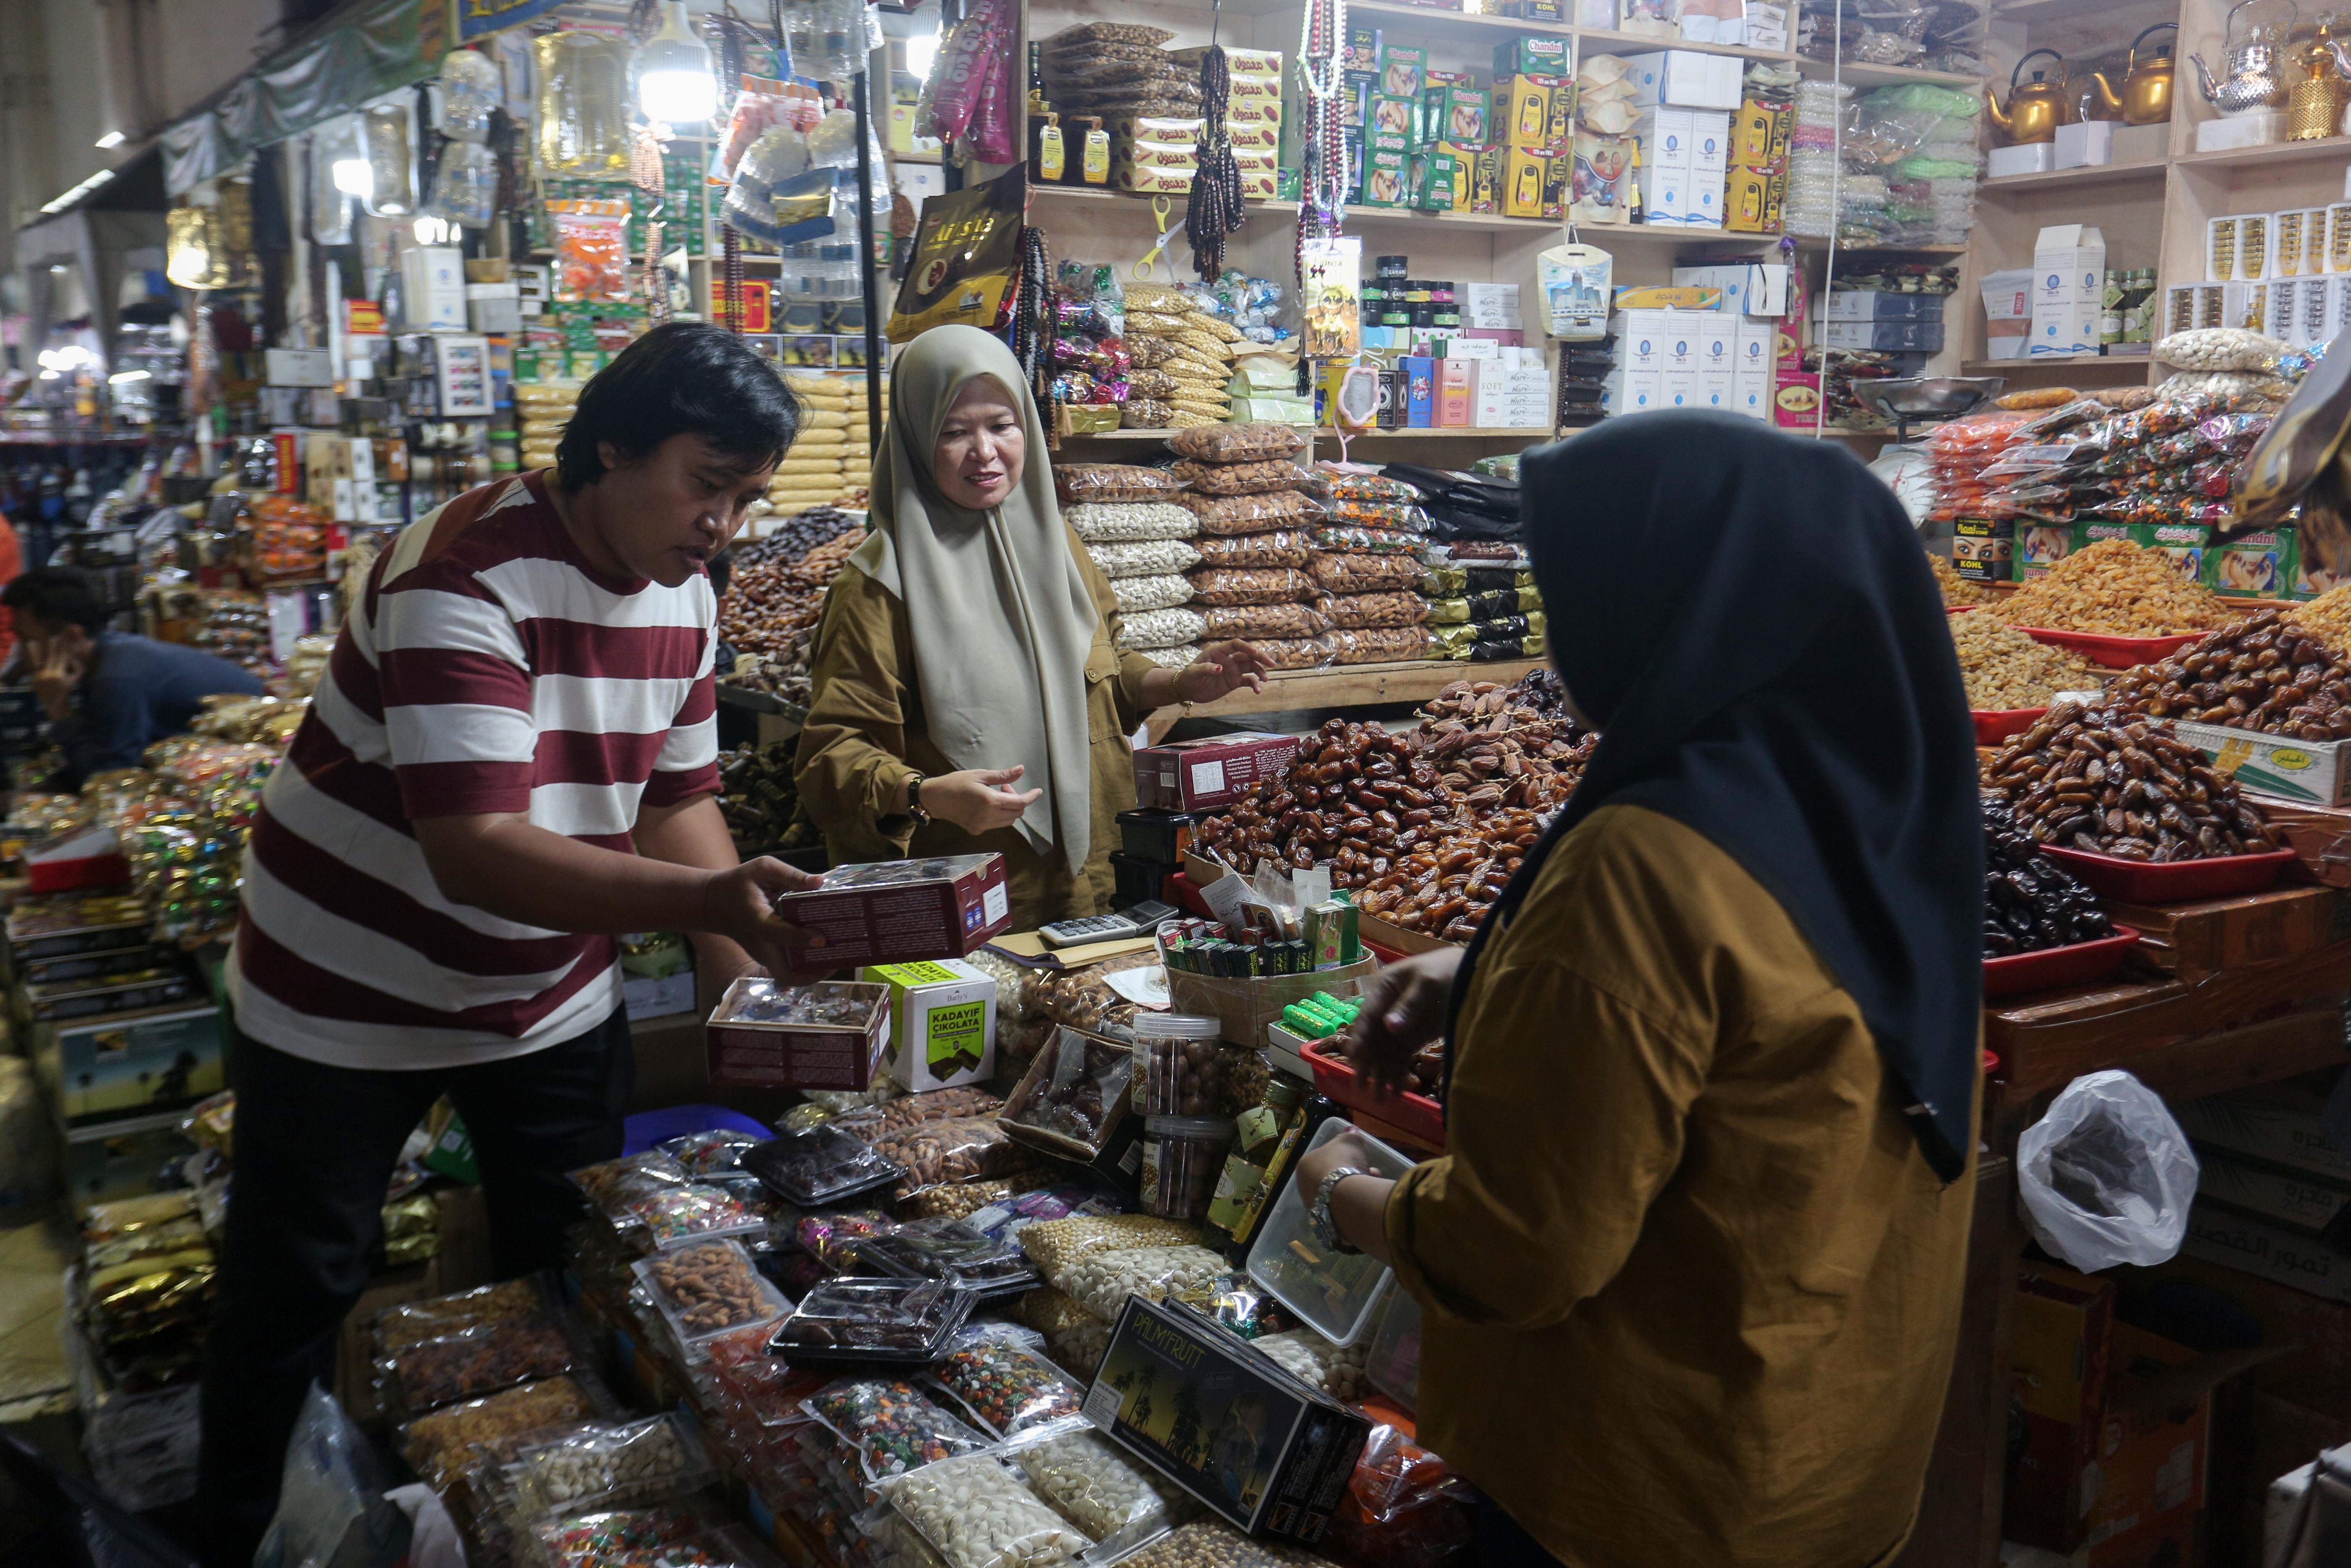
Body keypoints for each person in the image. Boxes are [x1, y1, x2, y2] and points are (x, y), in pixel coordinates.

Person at [1300, 412, 1984, 1568]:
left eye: (1567, 594)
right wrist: (1489, 969)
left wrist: (1339, 1192)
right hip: (1827, 1463)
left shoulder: (1642, 862)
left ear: (1661, 603)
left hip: (1641, 1496)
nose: (1554, 637)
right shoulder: (1877, 805)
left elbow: (1520, 1253)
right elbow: (1773, 1028)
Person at [197, 323, 824, 1567]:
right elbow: (476, 849)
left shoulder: (686, 591)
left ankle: (559, 1522)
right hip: (344, 985)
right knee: (296, 1283)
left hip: (546, 987)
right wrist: (711, 906)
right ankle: (234, 1536)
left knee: (572, 1254)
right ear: (611, 447)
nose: (724, 526)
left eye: (748, 498)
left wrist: (746, 988)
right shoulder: (462, 574)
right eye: (707, 484)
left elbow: (674, 798)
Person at [795, 326, 1271, 930]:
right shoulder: (878, 586)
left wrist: (1180, 682)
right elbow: (832, 758)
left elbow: (1100, 673)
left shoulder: (1056, 547)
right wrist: (924, 794)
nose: (985, 452)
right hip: (975, 901)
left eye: (1002, 425)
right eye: (953, 432)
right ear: (915, 439)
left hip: (1097, 886)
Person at [4, 566, 263, 789]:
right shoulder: (111, 653)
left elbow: (109, 778)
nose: (21, 653)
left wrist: (58, 709)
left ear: (72, 636)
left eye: (27, 639)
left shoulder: (117, 679)